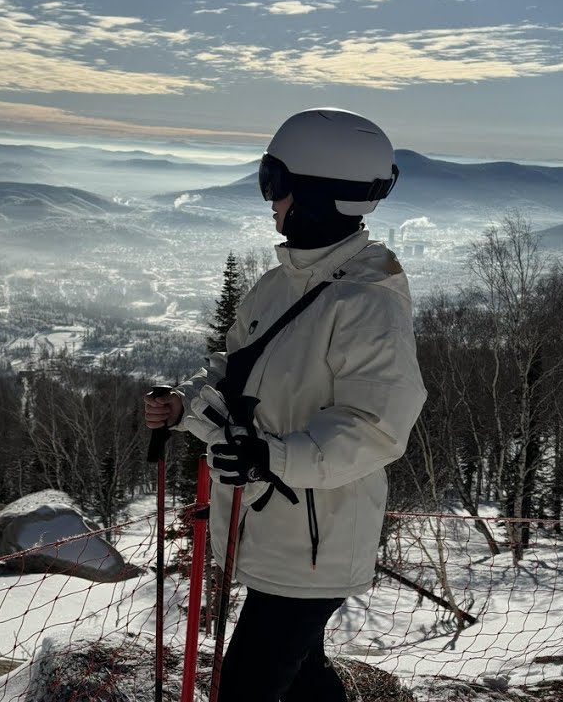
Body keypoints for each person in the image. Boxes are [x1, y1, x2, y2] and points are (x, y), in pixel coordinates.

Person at [144, 107, 426, 701]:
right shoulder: (283, 282)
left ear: (317, 195)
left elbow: (375, 427)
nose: (268, 200)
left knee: (249, 684)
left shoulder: (366, 301)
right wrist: (187, 410)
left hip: (315, 541)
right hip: (271, 526)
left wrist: (271, 458)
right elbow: (238, 375)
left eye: (274, 183)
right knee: (301, 678)